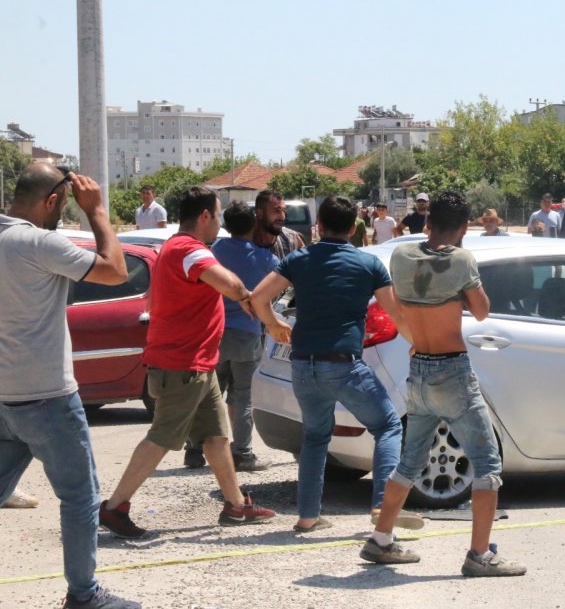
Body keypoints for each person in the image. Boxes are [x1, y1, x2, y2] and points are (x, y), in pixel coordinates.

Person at [0, 163, 141, 609]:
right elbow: (116, 270)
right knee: (81, 496)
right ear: (53, 201)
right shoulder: (39, 242)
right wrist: (98, 212)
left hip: (4, 396)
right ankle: (83, 596)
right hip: (48, 396)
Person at [364, 190, 527, 577]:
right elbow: (483, 311)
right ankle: (480, 555)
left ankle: (382, 539)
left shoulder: (401, 256)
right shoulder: (461, 259)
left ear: (427, 220)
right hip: (453, 370)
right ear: (463, 228)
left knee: (409, 461)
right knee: (487, 463)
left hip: (418, 365)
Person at [99, 187, 275, 539]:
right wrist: (246, 297)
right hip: (182, 365)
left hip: (198, 364)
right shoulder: (189, 250)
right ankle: (115, 506)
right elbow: (227, 282)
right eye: (218, 214)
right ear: (205, 216)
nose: (221, 223)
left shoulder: (179, 249)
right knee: (162, 437)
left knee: (216, 438)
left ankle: (236, 504)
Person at [250, 196, 424, 533]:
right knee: (388, 426)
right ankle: (380, 506)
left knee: (315, 437)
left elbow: (258, 297)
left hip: (303, 365)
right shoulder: (369, 265)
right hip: (344, 364)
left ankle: (308, 516)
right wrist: (417, 343)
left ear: (318, 226)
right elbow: (395, 313)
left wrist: (273, 323)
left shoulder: (299, 259)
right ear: (354, 228)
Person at [210, 201, 278, 472]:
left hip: (215, 331)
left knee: (211, 395)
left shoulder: (214, 251)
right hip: (247, 334)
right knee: (243, 397)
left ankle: (196, 449)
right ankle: (242, 453)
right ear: (253, 225)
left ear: (225, 225)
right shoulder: (265, 258)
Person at [253, 189, 305, 260]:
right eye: (277, 210)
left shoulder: (292, 240)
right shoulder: (243, 241)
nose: (282, 217)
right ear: (260, 213)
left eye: (284, 211)